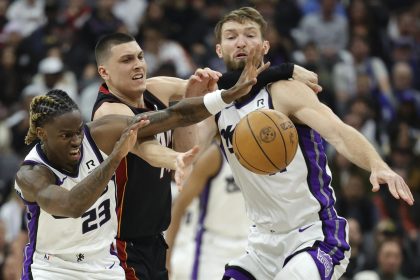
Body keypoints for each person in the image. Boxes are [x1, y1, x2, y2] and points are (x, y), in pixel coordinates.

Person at [194, 7, 414, 280]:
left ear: (264, 45)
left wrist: (377, 164)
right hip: (261, 244)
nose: (240, 42)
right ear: (218, 49)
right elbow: (188, 146)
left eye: (249, 35)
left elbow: (339, 132)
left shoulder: (285, 91)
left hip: (314, 234)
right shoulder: (216, 106)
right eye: (231, 36)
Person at [14, 48, 267, 279]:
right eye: (65, 135)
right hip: (53, 268)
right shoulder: (32, 175)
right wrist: (115, 158)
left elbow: (172, 115)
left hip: (103, 264)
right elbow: (71, 205)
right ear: (42, 134)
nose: (76, 141)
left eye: (78, 131)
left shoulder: (100, 133)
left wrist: (226, 96)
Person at [91, 32, 319, 280]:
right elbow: (145, 147)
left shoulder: (156, 88)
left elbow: (223, 85)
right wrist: (173, 159)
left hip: (153, 239)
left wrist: (284, 72)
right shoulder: (108, 112)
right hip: (118, 245)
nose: (137, 64)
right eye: (126, 60)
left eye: (140, 56)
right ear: (104, 72)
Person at [166, 141, 251, 280]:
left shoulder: (260, 152)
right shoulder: (215, 155)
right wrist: (167, 259)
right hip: (214, 250)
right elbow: (179, 206)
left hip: (249, 245)